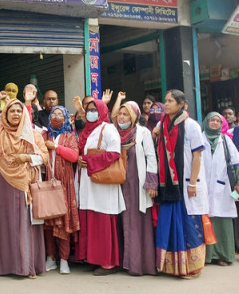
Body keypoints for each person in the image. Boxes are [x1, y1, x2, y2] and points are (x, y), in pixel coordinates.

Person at [0, 99, 48, 279]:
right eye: (12, 111)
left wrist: (27, 157)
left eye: (19, 111)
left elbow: (44, 157)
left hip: (23, 184)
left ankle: (27, 266)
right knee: (1, 225)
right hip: (1, 183)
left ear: (24, 113)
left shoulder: (32, 134)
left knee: (23, 224)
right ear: (5, 114)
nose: (16, 114)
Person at [155, 90, 208, 279]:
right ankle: (171, 266)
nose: (166, 104)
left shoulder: (191, 126)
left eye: (170, 101)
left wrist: (192, 183)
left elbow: (197, 156)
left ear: (181, 104)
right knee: (168, 224)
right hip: (168, 185)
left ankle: (192, 267)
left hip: (185, 184)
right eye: (165, 101)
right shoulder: (162, 125)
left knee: (188, 225)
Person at [76, 99, 124, 276]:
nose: (90, 112)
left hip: (102, 183)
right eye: (88, 109)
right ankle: (93, 258)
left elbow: (114, 152)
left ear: (102, 111)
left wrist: (88, 161)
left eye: (94, 109)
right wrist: (80, 159)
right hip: (89, 182)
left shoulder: (108, 128)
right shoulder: (88, 131)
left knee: (102, 221)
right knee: (90, 219)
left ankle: (108, 263)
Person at [114, 101, 157, 276]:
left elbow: (151, 157)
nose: (122, 117)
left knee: (137, 222)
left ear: (134, 117)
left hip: (137, 185)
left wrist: (151, 183)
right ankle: (122, 262)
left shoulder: (142, 132)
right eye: (120, 114)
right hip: (118, 183)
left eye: (126, 114)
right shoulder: (114, 133)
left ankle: (138, 264)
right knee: (121, 220)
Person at [42, 106, 80, 275]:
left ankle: (64, 259)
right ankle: (51, 258)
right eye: (54, 114)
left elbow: (74, 156)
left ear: (66, 119)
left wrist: (55, 148)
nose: (56, 117)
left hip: (65, 185)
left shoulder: (70, 136)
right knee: (48, 223)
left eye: (60, 114)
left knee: (64, 223)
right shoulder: (44, 135)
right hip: (46, 184)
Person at [202, 112, 239, 266]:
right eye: (212, 120)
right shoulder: (200, 138)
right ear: (206, 122)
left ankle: (224, 255)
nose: (215, 123)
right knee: (206, 219)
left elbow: (236, 163)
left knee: (223, 220)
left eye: (218, 121)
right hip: (203, 186)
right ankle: (208, 256)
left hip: (223, 187)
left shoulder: (226, 141)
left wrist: (237, 182)